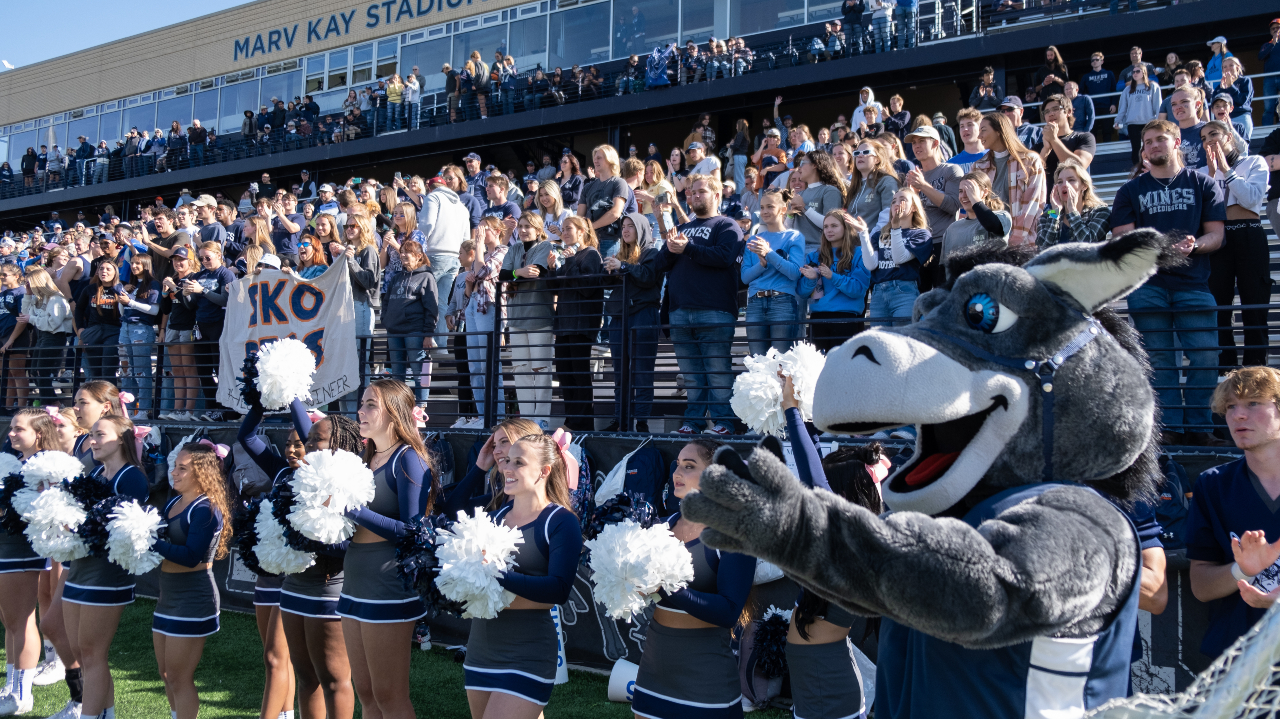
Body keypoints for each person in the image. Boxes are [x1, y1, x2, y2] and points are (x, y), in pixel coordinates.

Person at [1110, 119, 1226, 446]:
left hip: (1194, 283)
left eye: (1161, 139)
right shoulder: (1130, 190)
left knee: (1205, 356)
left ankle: (1201, 428)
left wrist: (1195, 245)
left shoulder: (1204, 184)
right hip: (1148, 286)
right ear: (1143, 149)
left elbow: (1216, 235)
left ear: (1177, 143)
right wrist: (1155, 249)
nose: (1154, 145)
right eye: (1148, 142)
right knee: (1159, 360)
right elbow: (1123, 236)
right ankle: (1170, 427)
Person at [779, 377, 882, 720]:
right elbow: (816, 475)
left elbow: (814, 480)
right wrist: (805, 409)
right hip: (817, 681)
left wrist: (792, 412)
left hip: (830, 686)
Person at [630, 437, 755, 717]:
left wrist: (667, 587)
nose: (676, 473)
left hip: (705, 677)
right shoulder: (661, 527)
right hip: (653, 670)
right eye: (677, 465)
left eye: (689, 466)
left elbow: (728, 612)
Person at [336, 379, 438, 717]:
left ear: (394, 412)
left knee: (389, 695)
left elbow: (413, 532)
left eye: (370, 405)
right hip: (354, 585)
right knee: (365, 693)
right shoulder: (365, 458)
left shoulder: (409, 460)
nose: (360, 411)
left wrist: (352, 510)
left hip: (388, 587)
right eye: (361, 403)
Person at [464, 434, 581, 717]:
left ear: (544, 471)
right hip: (480, 650)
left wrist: (496, 575)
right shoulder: (493, 518)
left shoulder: (560, 521)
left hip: (527, 652)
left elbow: (558, 590)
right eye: (506, 461)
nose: (507, 468)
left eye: (518, 462)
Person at [1186, 368, 1280, 660]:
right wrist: (1244, 570)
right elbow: (1201, 586)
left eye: (1253, 403)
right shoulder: (1213, 484)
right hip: (1236, 661)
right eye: (1230, 407)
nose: (1238, 415)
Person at [66, 415, 150, 718]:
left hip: (106, 576)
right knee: (80, 652)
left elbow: (124, 533)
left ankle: (90, 716)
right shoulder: (97, 472)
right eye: (91, 435)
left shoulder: (132, 478)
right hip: (79, 569)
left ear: (121, 439)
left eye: (100, 435)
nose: (93, 441)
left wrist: (82, 526)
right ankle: (106, 713)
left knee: (92, 653)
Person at [661, 175, 744, 436]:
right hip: (680, 312)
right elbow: (664, 265)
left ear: (717, 196)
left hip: (715, 310)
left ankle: (724, 423)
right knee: (692, 376)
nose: (695, 196)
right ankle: (693, 422)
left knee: (718, 372)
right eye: (692, 192)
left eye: (702, 192)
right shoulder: (682, 229)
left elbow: (724, 257)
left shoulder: (728, 225)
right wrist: (670, 249)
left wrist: (688, 249)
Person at [151, 443, 228, 719]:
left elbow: (192, 556)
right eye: (175, 466)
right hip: (167, 597)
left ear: (202, 473)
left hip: (194, 599)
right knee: (166, 673)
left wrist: (150, 542)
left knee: (179, 676)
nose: (174, 473)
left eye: (182, 468)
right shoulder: (173, 502)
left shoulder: (206, 509)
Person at [0, 410, 62, 716]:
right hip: (6, 547)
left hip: (22, 550)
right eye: (11, 428)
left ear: (39, 433)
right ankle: (11, 687)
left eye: (18, 429)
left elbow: (47, 510)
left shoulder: (46, 466)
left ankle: (22, 696)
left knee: (21, 620)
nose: (11, 434)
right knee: (10, 622)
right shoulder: (19, 463)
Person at [1201, 121, 1270, 370]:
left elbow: (1251, 199)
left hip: (1249, 234)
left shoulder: (1255, 162)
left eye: (1214, 134)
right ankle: (1225, 372)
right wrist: (1210, 175)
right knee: (1219, 308)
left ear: (1229, 136)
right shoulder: (1203, 172)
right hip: (1219, 239)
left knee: (1254, 307)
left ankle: (1256, 372)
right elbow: (1201, 211)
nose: (1209, 140)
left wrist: (1226, 170)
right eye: (1203, 137)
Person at [602, 213, 663, 433]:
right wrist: (608, 270)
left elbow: (647, 276)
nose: (625, 230)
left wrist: (623, 267)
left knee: (642, 372)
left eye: (631, 226)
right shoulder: (620, 254)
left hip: (643, 316)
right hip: (619, 317)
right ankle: (620, 419)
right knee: (620, 373)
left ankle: (641, 422)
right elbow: (606, 282)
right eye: (623, 226)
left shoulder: (652, 252)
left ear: (642, 229)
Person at [546, 216, 603, 431]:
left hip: (581, 324)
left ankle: (583, 423)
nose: (565, 233)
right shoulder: (570, 255)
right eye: (563, 229)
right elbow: (554, 289)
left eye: (569, 229)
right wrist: (552, 269)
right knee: (565, 373)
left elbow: (587, 288)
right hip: (564, 324)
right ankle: (571, 420)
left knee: (579, 374)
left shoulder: (591, 255)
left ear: (582, 231)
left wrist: (569, 261)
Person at [740, 188, 805, 356]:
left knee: (781, 363)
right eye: (762, 207)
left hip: (782, 302)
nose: (764, 211)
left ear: (783, 209)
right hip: (755, 303)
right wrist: (761, 264)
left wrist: (769, 254)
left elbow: (794, 273)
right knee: (757, 363)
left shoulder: (794, 237)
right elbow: (745, 277)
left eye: (770, 206)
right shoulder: (753, 239)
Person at [971, 112, 1045, 246]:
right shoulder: (978, 166)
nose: (979, 136)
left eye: (983, 130)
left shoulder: (1030, 161)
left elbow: (1033, 206)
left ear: (999, 130)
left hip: (1022, 243)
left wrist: (1015, 240)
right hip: (988, 244)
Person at [801, 210, 871, 351]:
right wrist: (812, 280)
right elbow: (802, 292)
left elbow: (858, 289)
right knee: (818, 369)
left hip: (846, 318)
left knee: (843, 370)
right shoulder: (814, 256)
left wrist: (833, 276)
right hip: (817, 317)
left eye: (834, 226)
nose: (829, 230)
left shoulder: (859, 253)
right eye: (826, 227)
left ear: (845, 227)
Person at [182, 243, 236, 422]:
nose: (204, 261)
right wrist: (186, 294)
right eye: (201, 258)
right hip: (201, 326)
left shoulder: (225, 274)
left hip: (219, 325)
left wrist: (202, 290)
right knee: (203, 370)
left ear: (219, 256)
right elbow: (191, 305)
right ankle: (210, 407)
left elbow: (224, 301)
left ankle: (223, 409)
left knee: (219, 369)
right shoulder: (198, 275)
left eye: (208, 257)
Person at [903, 125, 961, 290]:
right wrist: (910, 193)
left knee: (943, 298)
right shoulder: (912, 176)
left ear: (935, 143)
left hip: (943, 244)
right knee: (920, 300)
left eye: (922, 141)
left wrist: (923, 186)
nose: (917, 146)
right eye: (914, 142)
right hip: (917, 245)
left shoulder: (951, 170)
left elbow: (953, 205)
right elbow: (905, 216)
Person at [862, 187, 930, 325]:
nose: (896, 204)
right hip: (878, 293)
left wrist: (896, 228)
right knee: (879, 341)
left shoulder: (921, 234)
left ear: (914, 208)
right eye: (893, 201)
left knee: (902, 339)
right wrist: (863, 233)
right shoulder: (878, 235)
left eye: (903, 200)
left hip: (904, 292)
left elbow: (900, 258)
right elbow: (871, 265)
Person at [383, 240, 438, 406]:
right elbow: (386, 301)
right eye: (402, 252)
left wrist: (428, 334)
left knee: (418, 372)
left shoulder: (427, 277)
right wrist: (386, 320)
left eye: (408, 252)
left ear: (419, 256)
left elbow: (432, 308)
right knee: (397, 374)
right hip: (394, 331)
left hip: (415, 331)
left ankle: (420, 408)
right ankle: (399, 408)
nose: (403, 255)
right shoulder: (396, 277)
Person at [464, 217, 509, 420]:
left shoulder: (502, 251)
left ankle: (497, 417)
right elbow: (475, 275)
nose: (480, 232)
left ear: (498, 231)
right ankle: (484, 416)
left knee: (488, 364)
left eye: (485, 228)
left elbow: (483, 271)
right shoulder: (483, 252)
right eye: (479, 228)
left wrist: (479, 245)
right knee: (474, 365)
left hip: (489, 306)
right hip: (475, 303)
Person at [16, 267, 72, 403]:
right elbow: (24, 315)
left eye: (31, 283)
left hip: (54, 337)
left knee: (41, 372)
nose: (29, 286)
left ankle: (52, 403)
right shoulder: (39, 299)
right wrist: (28, 295)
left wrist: (32, 319)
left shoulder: (56, 299)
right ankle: (53, 402)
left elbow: (53, 323)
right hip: (42, 336)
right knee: (35, 372)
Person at [116, 255, 161, 420]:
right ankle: (126, 410)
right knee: (126, 371)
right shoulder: (130, 285)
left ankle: (143, 410)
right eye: (132, 263)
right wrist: (122, 299)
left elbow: (154, 310)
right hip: (125, 327)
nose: (134, 266)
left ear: (146, 265)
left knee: (142, 372)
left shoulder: (154, 284)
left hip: (142, 329)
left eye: (137, 263)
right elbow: (123, 310)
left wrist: (130, 302)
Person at [159, 248, 200, 421]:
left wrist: (174, 287)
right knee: (177, 371)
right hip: (173, 327)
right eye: (175, 260)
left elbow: (189, 305)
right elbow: (166, 308)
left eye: (181, 259)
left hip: (188, 326)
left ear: (190, 261)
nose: (178, 263)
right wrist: (164, 291)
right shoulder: (173, 279)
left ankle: (188, 412)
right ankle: (177, 410)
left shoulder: (194, 278)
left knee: (188, 369)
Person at [1036, 160, 1112, 248]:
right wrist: (1055, 212)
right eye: (1060, 182)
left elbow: (1088, 243)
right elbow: (1042, 249)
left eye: (1071, 180)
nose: (1065, 185)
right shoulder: (1048, 214)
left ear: (1084, 185)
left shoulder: (1100, 212)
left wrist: (1072, 211)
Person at [942, 170, 1011, 263]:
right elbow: (944, 267)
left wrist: (974, 198)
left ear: (985, 192)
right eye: (961, 191)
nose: (964, 196)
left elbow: (992, 225)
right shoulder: (952, 229)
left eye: (969, 191)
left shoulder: (1002, 216)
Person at [788, 150, 847, 255]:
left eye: (802, 163)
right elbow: (788, 228)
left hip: (819, 250)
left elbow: (831, 225)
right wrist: (790, 215)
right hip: (796, 248)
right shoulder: (800, 194)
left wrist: (804, 208)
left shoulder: (830, 191)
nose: (799, 168)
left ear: (815, 165)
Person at [335, 214, 382, 348]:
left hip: (361, 304)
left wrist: (351, 260)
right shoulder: (348, 250)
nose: (349, 229)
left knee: (359, 356)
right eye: (347, 226)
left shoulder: (368, 250)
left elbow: (368, 281)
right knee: (348, 353)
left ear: (363, 228)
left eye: (353, 226)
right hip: (346, 304)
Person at [73, 261, 125, 381]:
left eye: (108, 269)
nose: (104, 272)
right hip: (93, 331)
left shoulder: (122, 287)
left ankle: (110, 399)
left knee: (108, 370)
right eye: (101, 269)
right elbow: (79, 309)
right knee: (95, 372)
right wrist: (80, 329)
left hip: (114, 331)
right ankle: (98, 399)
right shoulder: (90, 289)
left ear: (115, 272)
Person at [578, 145, 629, 258]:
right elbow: (579, 216)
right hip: (588, 241)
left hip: (609, 240)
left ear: (610, 160)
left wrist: (590, 227)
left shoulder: (619, 183)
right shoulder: (587, 187)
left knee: (606, 275)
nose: (595, 160)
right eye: (595, 158)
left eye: (599, 157)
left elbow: (615, 213)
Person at [847, 140, 899, 241]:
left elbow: (888, 216)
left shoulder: (887, 182)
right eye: (857, 153)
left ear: (877, 159)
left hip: (872, 246)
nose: (860, 156)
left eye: (866, 152)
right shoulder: (855, 186)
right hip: (851, 247)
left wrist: (869, 241)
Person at [1114, 65, 1162, 167]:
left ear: (1144, 73)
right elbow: (1122, 108)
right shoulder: (1127, 89)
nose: (1134, 73)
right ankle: (1137, 170)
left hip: (1149, 123)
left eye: (1137, 71)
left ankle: (1152, 168)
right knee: (1136, 149)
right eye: (1133, 72)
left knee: (1149, 147)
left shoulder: (1153, 86)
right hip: (1133, 123)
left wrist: (1159, 123)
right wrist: (1118, 121)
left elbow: (1157, 106)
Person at [1039, 94, 1096, 178]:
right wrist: (1046, 149)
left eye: (1055, 109)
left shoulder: (1084, 138)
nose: (1050, 114)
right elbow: (1030, 176)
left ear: (1068, 112)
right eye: (1046, 112)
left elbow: (1078, 167)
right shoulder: (1041, 143)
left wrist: (1054, 140)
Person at [1215, 57, 1255, 142]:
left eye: (1231, 65)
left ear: (1237, 67)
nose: (1227, 68)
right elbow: (1215, 103)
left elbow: (1241, 100)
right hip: (1224, 119)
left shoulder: (1245, 81)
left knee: (1242, 148)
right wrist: (1222, 89)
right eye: (1225, 67)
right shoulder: (1220, 86)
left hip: (1241, 118)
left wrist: (1230, 86)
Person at [1170, 87, 1209, 172]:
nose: (1178, 107)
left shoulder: (1210, 130)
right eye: (1174, 104)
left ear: (1197, 104)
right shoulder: (1169, 135)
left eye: (1184, 102)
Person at [949, 107, 987, 172]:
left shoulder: (994, 156)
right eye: (962, 126)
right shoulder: (951, 164)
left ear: (980, 128)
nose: (965, 129)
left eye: (970, 125)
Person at [729, 119, 751, 196]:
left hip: (739, 156)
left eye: (737, 124)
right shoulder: (745, 134)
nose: (736, 126)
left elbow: (736, 146)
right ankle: (739, 195)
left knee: (739, 178)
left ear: (740, 125)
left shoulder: (740, 134)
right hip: (742, 157)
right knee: (739, 177)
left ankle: (741, 196)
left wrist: (729, 145)